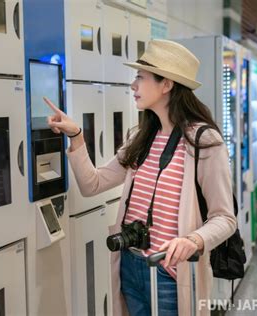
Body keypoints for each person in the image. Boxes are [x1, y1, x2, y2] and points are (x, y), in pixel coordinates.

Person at [44, 39, 236, 316]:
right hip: (130, 266)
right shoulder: (141, 137)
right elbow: (92, 184)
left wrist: (193, 240)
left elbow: (225, 218)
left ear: (167, 84)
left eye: (140, 77)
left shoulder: (203, 141)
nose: (133, 85)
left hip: (170, 274)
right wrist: (76, 136)